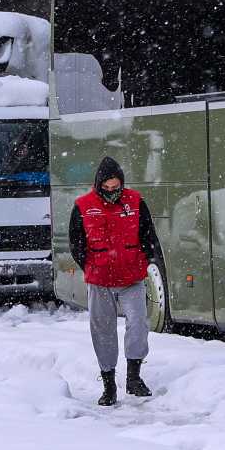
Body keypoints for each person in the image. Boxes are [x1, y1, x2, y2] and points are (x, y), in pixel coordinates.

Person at [68, 156, 159, 406]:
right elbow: (76, 243)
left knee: (138, 324)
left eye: (115, 188)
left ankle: (134, 377)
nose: (111, 192)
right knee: (102, 330)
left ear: (122, 184)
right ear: (99, 185)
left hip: (131, 277)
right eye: (106, 188)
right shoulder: (84, 206)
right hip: (99, 280)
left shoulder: (136, 202)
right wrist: (91, 264)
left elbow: (148, 234)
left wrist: (146, 258)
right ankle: (109, 385)